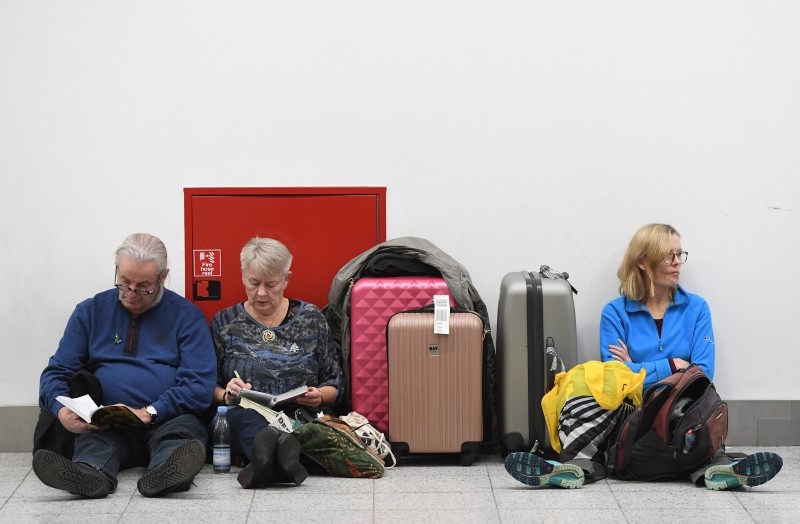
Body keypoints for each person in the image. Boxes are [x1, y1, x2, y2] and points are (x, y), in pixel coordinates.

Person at [505, 223, 783, 490]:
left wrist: (636, 369)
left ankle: (719, 470)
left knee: (699, 403)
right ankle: (574, 468)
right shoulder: (615, 313)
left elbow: (701, 373)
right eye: (669, 255)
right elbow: (615, 378)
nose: (677, 262)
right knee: (582, 388)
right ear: (643, 262)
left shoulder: (697, 308)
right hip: (631, 415)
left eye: (680, 255)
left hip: (679, 409)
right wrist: (674, 364)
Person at [33, 233, 217, 499]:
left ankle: (165, 474)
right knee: (95, 442)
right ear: (116, 271)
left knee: (181, 436)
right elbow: (56, 372)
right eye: (124, 283)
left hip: (167, 418)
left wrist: (151, 411)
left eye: (144, 287)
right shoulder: (90, 312)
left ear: (163, 277)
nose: (132, 293)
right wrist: (61, 410)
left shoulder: (186, 316)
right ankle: (90, 474)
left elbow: (199, 385)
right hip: (109, 423)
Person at [211, 237, 343, 488]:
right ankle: (283, 461)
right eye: (253, 283)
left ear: (286, 279)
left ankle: (269, 466)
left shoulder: (311, 318)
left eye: (271, 284)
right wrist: (227, 394)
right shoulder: (224, 323)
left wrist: (320, 396)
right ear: (242, 276)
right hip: (246, 413)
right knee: (241, 420)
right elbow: (208, 386)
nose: (261, 292)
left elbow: (335, 384)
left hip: (301, 414)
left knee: (305, 428)